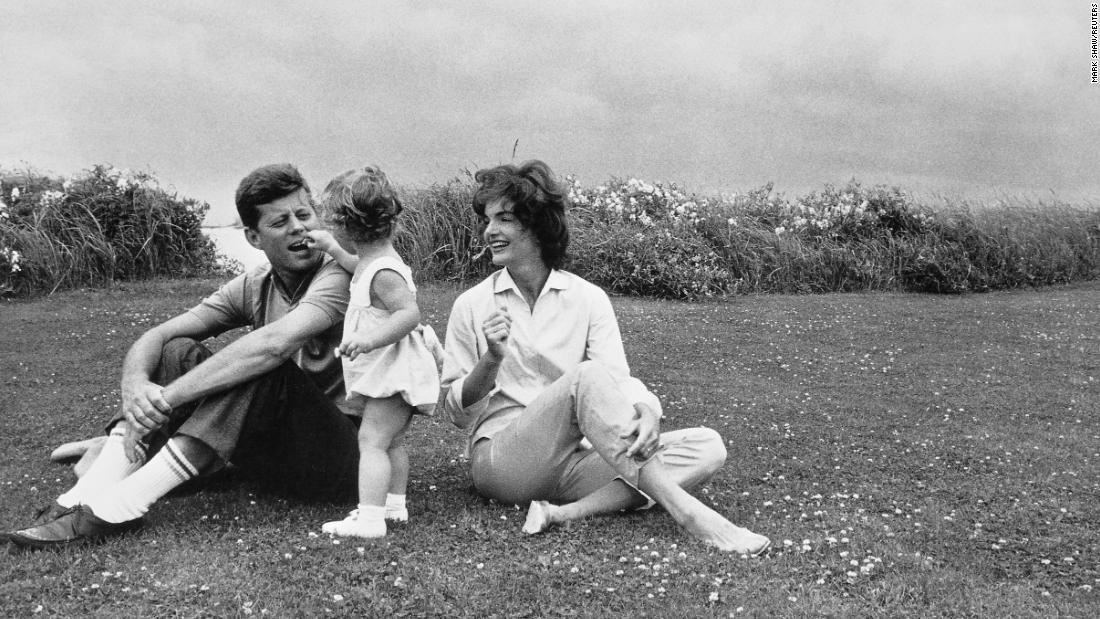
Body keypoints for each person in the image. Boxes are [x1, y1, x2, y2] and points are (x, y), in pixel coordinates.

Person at [7, 163, 363, 549]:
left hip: (344, 460)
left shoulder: (341, 276)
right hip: (274, 456)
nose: (297, 227)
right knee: (175, 351)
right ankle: (84, 495)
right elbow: (159, 336)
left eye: (304, 214)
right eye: (280, 222)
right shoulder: (256, 283)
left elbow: (274, 345)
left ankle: (122, 506)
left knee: (262, 363)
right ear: (253, 237)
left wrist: (167, 398)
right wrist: (134, 387)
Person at [441, 160, 771, 555]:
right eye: (488, 220)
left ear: (539, 225)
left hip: (573, 462)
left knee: (707, 446)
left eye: (505, 219)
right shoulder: (471, 305)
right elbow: (457, 414)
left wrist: (647, 409)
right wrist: (491, 360)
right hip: (503, 464)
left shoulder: (588, 298)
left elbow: (616, 378)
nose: (489, 231)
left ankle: (562, 513)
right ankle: (690, 515)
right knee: (586, 377)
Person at [304, 166, 442, 539]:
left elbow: (409, 313)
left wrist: (367, 340)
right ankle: (394, 506)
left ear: (348, 226)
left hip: (395, 370)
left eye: (334, 228)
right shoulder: (373, 261)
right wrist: (332, 250)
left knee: (371, 441)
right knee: (392, 440)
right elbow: (356, 267)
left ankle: (370, 519)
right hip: (393, 370)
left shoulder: (385, 271)